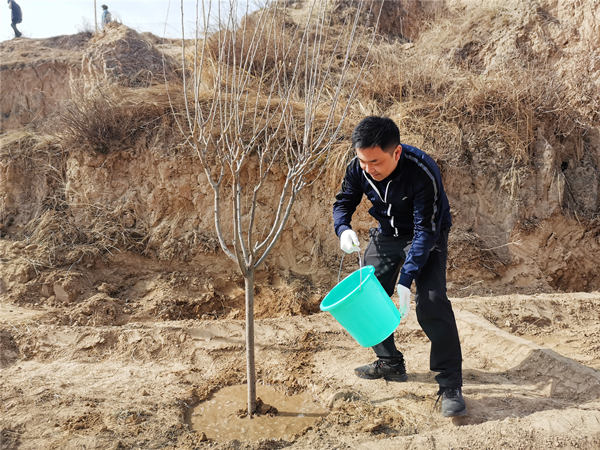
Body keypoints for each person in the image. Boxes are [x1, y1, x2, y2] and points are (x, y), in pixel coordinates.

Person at [332, 116, 466, 417]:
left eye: (375, 162)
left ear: (396, 152)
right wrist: (343, 229)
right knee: (365, 298)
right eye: (363, 161)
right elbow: (343, 202)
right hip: (387, 234)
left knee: (431, 302)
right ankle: (389, 361)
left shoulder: (422, 171)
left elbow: (425, 232)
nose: (369, 169)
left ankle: (450, 385)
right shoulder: (359, 167)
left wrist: (407, 278)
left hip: (427, 234)